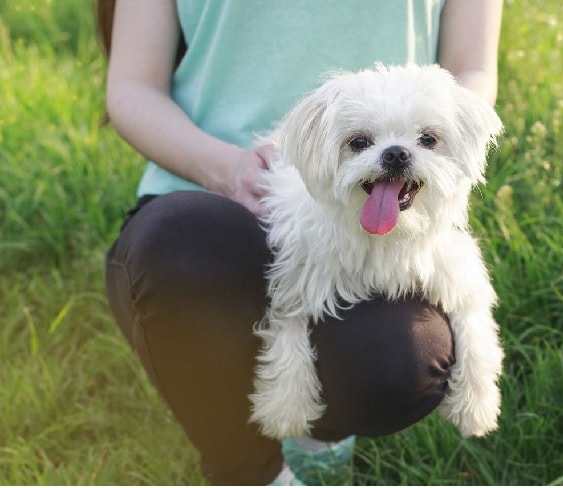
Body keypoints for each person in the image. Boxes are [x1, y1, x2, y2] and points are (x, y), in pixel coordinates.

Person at [99, 0, 502, 484]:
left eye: (424, 139)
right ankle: (250, 471)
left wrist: (451, 152)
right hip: (203, 190)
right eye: (362, 142)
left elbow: (471, 69)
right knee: (184, 249)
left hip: (383, 216)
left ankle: (320, 429)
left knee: (402, 360)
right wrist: (228, 170)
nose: (396, 154)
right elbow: (132, 86)